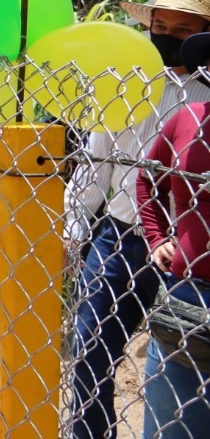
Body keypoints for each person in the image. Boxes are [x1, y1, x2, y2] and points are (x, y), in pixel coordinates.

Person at [66, 0, 210, 438]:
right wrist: (72, 235)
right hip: (122, 236)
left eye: (182, 31)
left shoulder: (207, 98)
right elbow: (95, 167)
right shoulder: (125, 83)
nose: (165, 37)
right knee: (90, 351)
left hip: (191, 255)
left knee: (183, 369)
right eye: (159, 26)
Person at [135, 31, 210, 439]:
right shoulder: (189, 119)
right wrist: (156, 236)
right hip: (188, 296)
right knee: (171, 428)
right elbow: (147, 179)